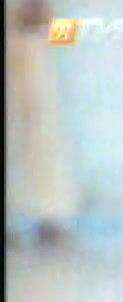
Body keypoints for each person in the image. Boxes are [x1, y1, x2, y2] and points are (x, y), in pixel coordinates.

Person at [6, 0, 79, 247]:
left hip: (41, 24)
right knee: (36, 115)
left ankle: (53, 211)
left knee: (46, 109)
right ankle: (46, 211)